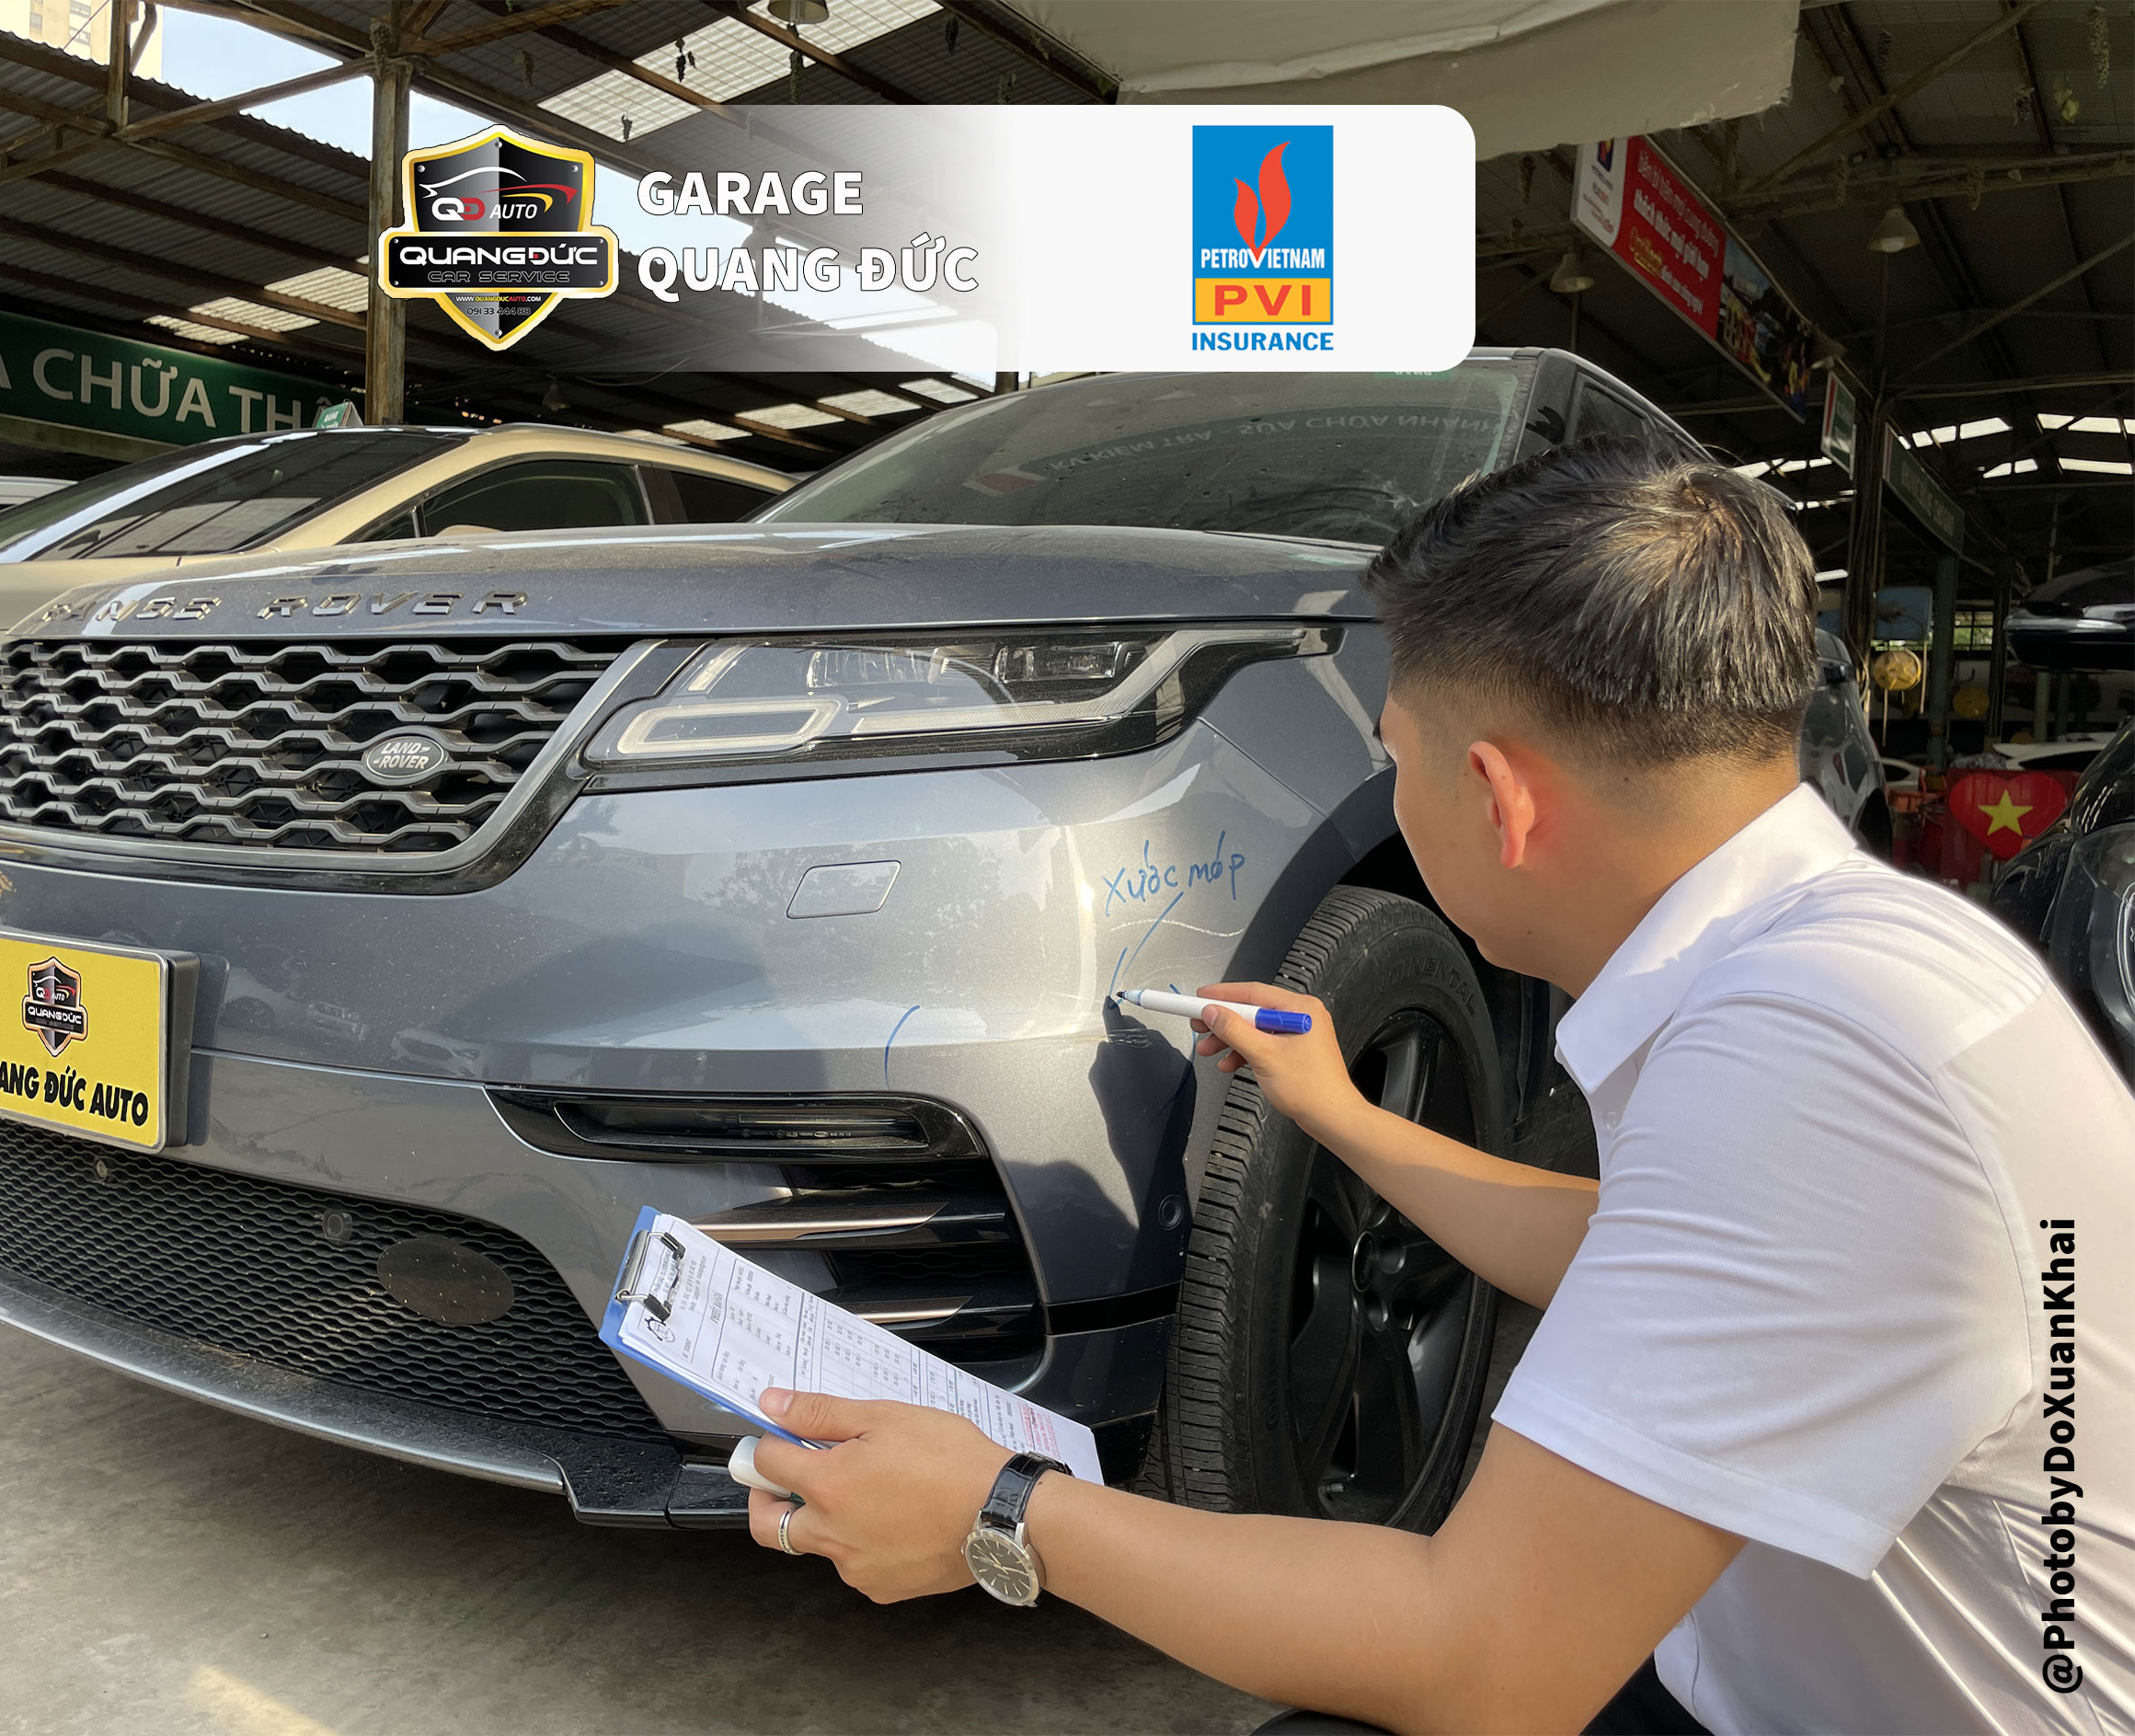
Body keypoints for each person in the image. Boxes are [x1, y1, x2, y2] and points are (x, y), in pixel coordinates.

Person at [742, 440, 2133, 1734]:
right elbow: (1629, 1253)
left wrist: (1003, 1513)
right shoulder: (1851, 957)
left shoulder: (1810, 1057)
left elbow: (1485, 1664)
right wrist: (1340, 1112)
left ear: (1497, 797)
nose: (1393, 798)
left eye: (1396, 758)